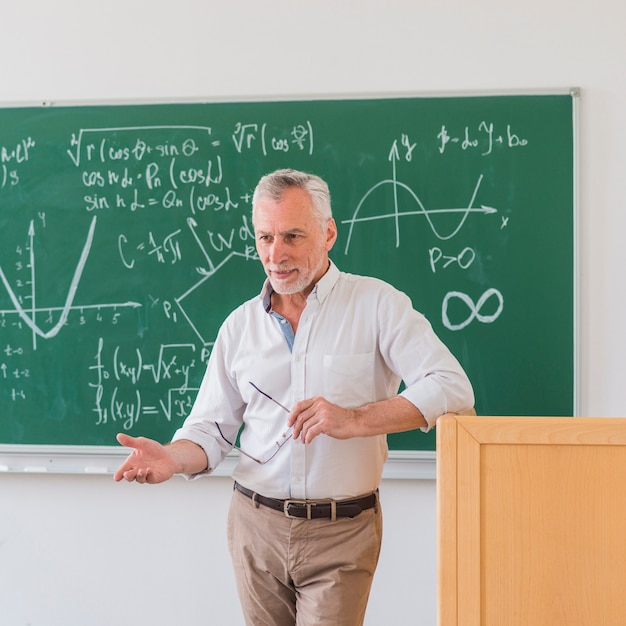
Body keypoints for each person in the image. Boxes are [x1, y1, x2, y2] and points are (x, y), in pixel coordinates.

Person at [114, 168, 474, 626]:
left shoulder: (378, 304)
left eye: (292, 236)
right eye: (264, 237)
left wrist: (356, 419)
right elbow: (209, 431)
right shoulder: (240, 326)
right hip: (254, 525)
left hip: (342, 531)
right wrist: (170, 457)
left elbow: (451, 385)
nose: (275, 254)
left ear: (328, 233)